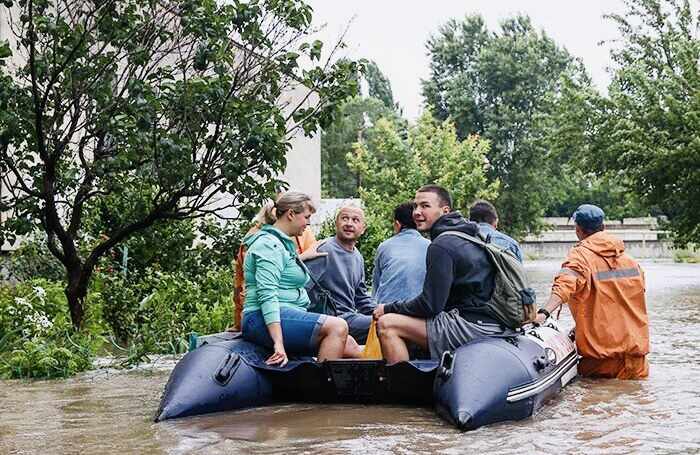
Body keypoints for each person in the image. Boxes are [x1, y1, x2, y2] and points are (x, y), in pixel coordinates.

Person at [373, 185, 508, 363]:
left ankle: (404, 388)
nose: (417, 212)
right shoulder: (469, 235)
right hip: (491, 322)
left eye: (425, 206)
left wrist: (387, 308)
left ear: (445, 210)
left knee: (387, 324)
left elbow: (430, 305)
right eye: (415, 206)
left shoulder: (441, 245)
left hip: (471, 326)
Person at [533, 204, 650, 379]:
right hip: (637, 361)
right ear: (603, 228)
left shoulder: (579, 257)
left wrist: (543, 313)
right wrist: (580, 327)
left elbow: (564, 287)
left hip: (602, 363)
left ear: (578, 229)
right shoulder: (629, 260)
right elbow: (620, 304)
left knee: (594, 402)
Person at [240, 191, 351, 366]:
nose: (308, 223)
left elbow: (284, 269)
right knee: (338, 326)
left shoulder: (283, 245)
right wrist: (278, 343)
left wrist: (303, 257)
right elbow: (267, 295)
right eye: (306, 217)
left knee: (350, 344)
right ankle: (322, 390)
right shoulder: (269, 245)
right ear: (291, 214)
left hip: (288, 312)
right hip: (261, 318)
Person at [304, 205, 376, 344]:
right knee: (386, 325)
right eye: (344, 218)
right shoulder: (324, 250)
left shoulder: (357, 256)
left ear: (363, 229)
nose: (349, 223)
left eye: (355, 220)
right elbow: (302, 288)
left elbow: (361, 298)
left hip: (350, 317)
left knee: (391, 321)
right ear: (336, 223)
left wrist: (384, 311)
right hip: (330, 320)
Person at [372, 202, 431, 303]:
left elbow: (376, 284)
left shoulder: (385, 246)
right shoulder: (430, 246)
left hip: (385, 312)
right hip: (418, 310)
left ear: (397, 224)